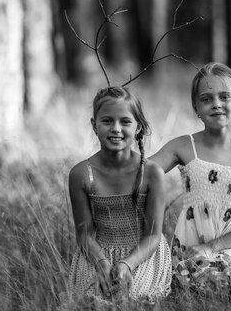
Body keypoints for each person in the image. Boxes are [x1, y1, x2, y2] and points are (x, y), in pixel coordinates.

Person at [149, 62, 231, 295]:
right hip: (192, 249)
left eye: (224, 97)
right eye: (206, 99)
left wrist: (213, 247)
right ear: (196, 107)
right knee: (196, 277)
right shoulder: (184, 146)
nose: (216, 104)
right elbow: (144, 172)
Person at [67, 86, 171, 304]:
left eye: (125, 121)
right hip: (97, 252)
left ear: (138, 127)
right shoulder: (81, 174)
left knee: (131, 299)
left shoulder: (152, 174)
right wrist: (101, 262)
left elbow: (153, 235)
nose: (116, 128)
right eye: (107, 121)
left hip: (142, 253)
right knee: (92, 301)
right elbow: (84, 234)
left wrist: (127, 263)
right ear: (94, 125)